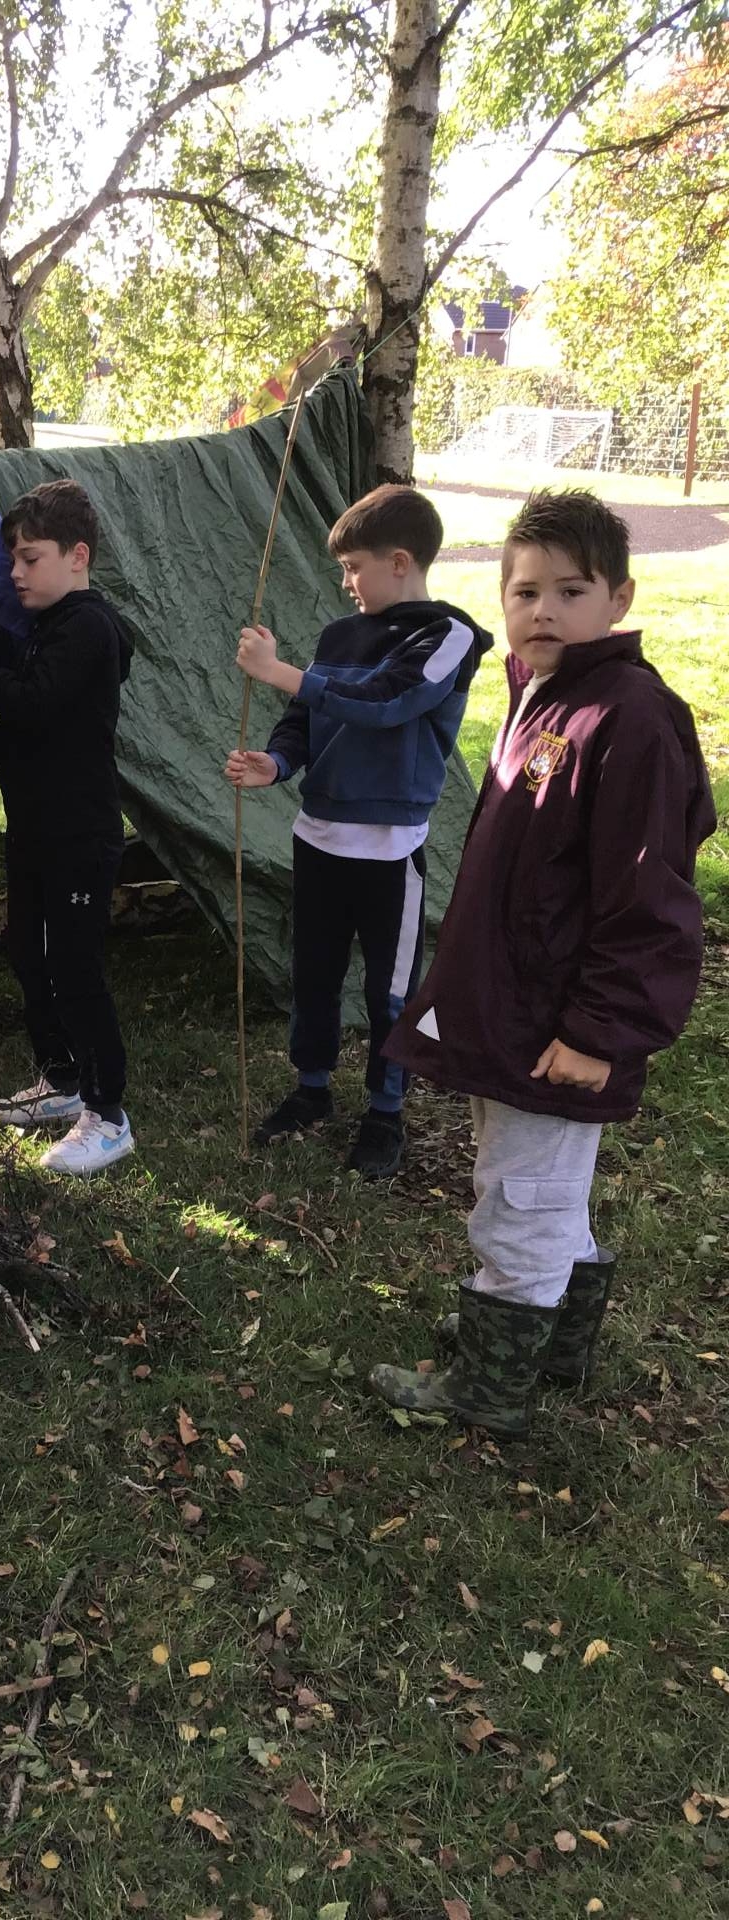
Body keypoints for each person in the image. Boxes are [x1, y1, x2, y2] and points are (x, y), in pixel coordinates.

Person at [368, 489, 716, 1436]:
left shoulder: (628, 720)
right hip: (515, 1003)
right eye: (525, 592)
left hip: (563, 1023)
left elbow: (648, 897)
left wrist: (600, 1033)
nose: (544, 611)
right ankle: (547, 1336)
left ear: (620, 598)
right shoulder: (545, 697)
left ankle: (492, 1381)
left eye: (571, 591)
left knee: (521, 1195)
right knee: (542, 1180)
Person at [226, 483, 491, 1178]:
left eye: (354, 568)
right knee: (313, 973)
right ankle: (311, 1089)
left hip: (389, 855)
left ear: (399, 562)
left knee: (389, 991)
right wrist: (277, 762)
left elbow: (386, 702)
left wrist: (280, 672)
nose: (346, 582)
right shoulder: (339, 636)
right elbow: (307, 718)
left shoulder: (450, 636)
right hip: (317, 841)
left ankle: (384, 1112)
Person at [0, 478, 136, 1176]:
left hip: (80, 834)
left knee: (76, 969)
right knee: (27, 952)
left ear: (78, 556)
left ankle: (108, 1116)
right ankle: (61, 1079)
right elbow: (16, 734)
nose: (15, 573)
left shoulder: (88, 628)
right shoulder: (46, 628)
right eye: (12, 559)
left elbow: (34, 703)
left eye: (30, 558)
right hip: (36, 831)